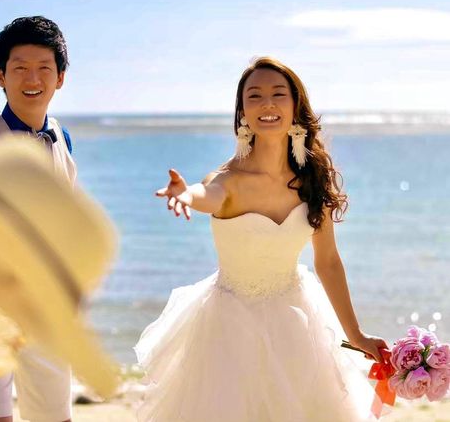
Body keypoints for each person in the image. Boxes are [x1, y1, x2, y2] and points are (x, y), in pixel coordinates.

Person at [135, 57, 388, 421]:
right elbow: (207, 195)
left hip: (297, 324)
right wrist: (186, 194)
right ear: (242, 112)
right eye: (254, 96)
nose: (267, 103)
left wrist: (356, 334)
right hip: (228, 330)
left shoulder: (313, 181)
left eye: (278, 94)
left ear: (295, 105)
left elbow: (328, 262)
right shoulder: (227, 179)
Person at [0, 16, 75, 422]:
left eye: (44, 67)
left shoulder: (62, 137)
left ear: (60, 78)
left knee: (55, 416)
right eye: (20, 68)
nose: (32, 78)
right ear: (1, 76)